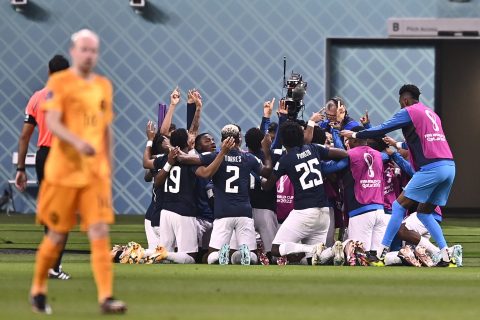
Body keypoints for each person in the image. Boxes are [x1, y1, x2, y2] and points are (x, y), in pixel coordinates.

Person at [29, 29, 126, 314]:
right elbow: (54, 122)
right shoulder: (59, 83)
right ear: (74, 51)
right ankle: (38, 289)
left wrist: (109, 168)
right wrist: (77, 141)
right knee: (57, 234)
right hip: (63, 172)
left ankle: (106, 297)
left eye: (93, 50)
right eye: (84, 49)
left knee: (99, 231)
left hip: (93, 175)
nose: (88, 55)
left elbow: (107, 130)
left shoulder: (103, 86)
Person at [341, 84, 456, 267]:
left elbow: (382, 128)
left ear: (405, 100)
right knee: (425, 212)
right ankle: (445, 255)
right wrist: (396, 144)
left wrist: (355, 133)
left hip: (432, 168)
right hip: (449, 167)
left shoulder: (409, 111)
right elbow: (417, 143)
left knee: (398, 205)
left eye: (401, 103)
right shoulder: (431, 114)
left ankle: (379, 253)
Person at [15, 55, 71, 280]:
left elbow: (24, 137)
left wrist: (20, 168)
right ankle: (54, 266)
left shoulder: (36, 98)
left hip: (43, 157)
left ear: (49, 72)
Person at [262, 121, 348, 265]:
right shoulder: (313, 148)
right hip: (324, 211)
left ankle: (312, 248)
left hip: (305, 211)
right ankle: (335, 250)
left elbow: (267, 186)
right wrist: (324, 167)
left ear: (283, 141)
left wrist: (267, 153)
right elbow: (344, 153)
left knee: (276, 249)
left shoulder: (285, 159)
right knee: (312, 260)